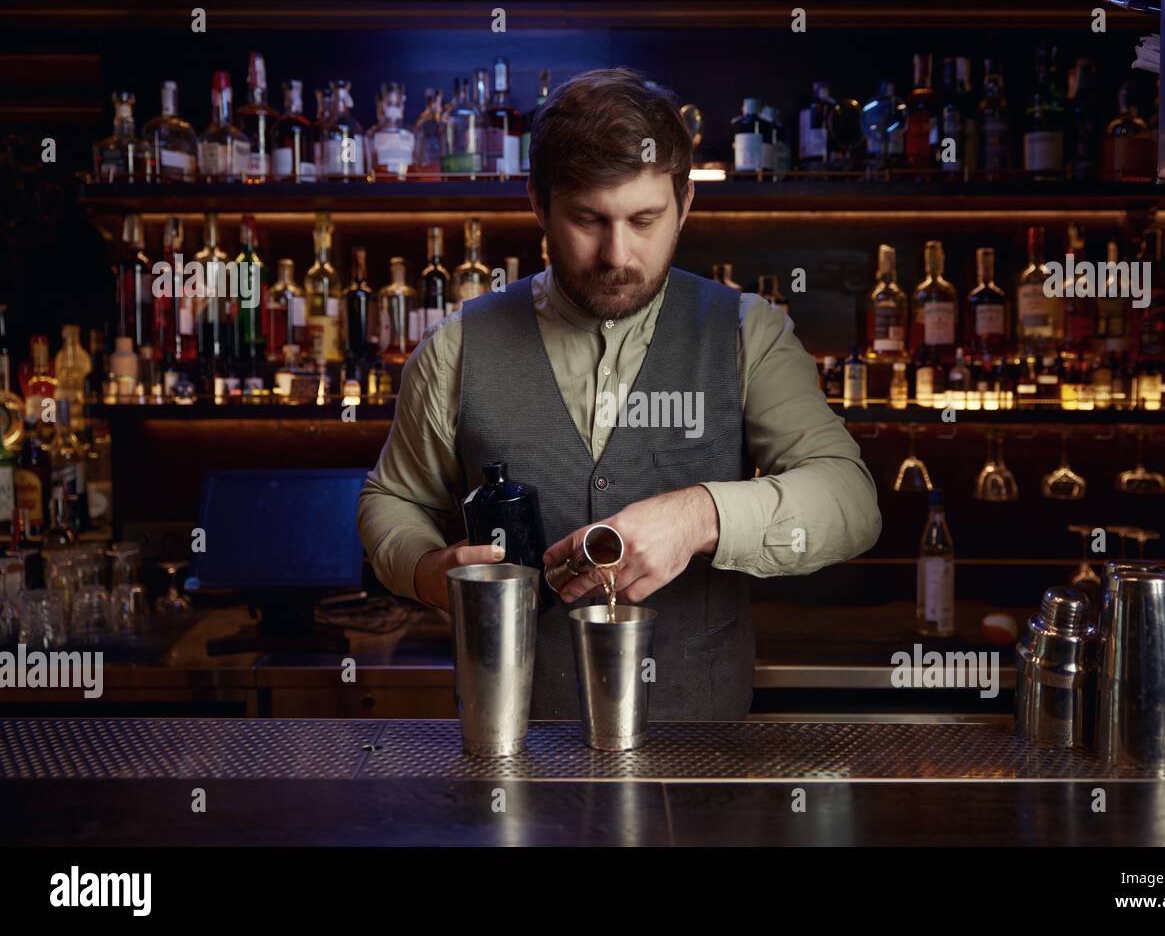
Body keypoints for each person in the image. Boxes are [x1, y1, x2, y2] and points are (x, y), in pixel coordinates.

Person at [357, 67, 881, 720]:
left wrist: (700, 516)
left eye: (645, 219)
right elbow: (391, 500)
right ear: (538, 204)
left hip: (701, 762)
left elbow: (851, 500)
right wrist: (427, 569)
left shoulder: (750, 331)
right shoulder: (457, 346)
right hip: (514, 748)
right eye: (587, 220)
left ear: (685, 205)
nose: (617, 253)